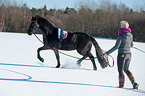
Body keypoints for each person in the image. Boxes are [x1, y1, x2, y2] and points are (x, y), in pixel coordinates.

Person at [104, 21, 139, 89]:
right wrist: (130, 45)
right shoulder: (130, 35)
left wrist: (107, 53)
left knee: (120, 71)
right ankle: (134, 83)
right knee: (126, 69)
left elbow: (116, 46)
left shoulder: (121, 35)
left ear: (122, 27)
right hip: (129, 54)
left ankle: (121, 86)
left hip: (122, 54)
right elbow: (131, 45)